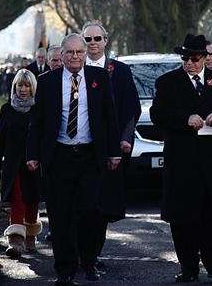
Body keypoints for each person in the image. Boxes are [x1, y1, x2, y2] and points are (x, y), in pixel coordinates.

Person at [26, 33, 121, 285]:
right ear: (62, 55)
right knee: (60, 215)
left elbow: (110, 117)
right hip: (59, 156)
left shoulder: (99, 78)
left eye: (80, 52)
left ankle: (88, 263)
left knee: (90, 212)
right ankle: (64, 269)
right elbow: (36, 122)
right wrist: (33, 155)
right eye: (70, 53)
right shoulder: (47, 82)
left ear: (84, 54)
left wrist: (113, 152)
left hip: (90, 156)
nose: (75, 57)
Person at [151, 33, 212, 283]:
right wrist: (184, 119)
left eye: (194, 58)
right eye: (185, 58)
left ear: (205, 58)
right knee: (183, 218)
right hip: (182, 162)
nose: (189, 63)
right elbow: (158, 114)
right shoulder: (168, 82)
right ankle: (188, 267)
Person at [83, 21, 142, 275]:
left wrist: (125, 138)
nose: (93, 43)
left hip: (110, 149)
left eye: (98, 38)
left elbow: (132, 108)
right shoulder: (75, 68)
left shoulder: (119, 71)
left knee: (101, 205)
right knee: (79, 204)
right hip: (80, 147)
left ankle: (93, 255)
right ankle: (78, 254)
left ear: (106, 40)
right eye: (88, 39)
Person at [0, 69, 42, 258]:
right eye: (19, 85)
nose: (23, 89)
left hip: (33, 163)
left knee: (32, 201)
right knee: (18, 199)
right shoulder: (7, 109)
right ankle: (16, 240)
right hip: (13, 164)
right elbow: (0, 138)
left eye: (27, 85)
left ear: (32, 88)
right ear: (14, 87)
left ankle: (30, 236)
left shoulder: (38, 109)